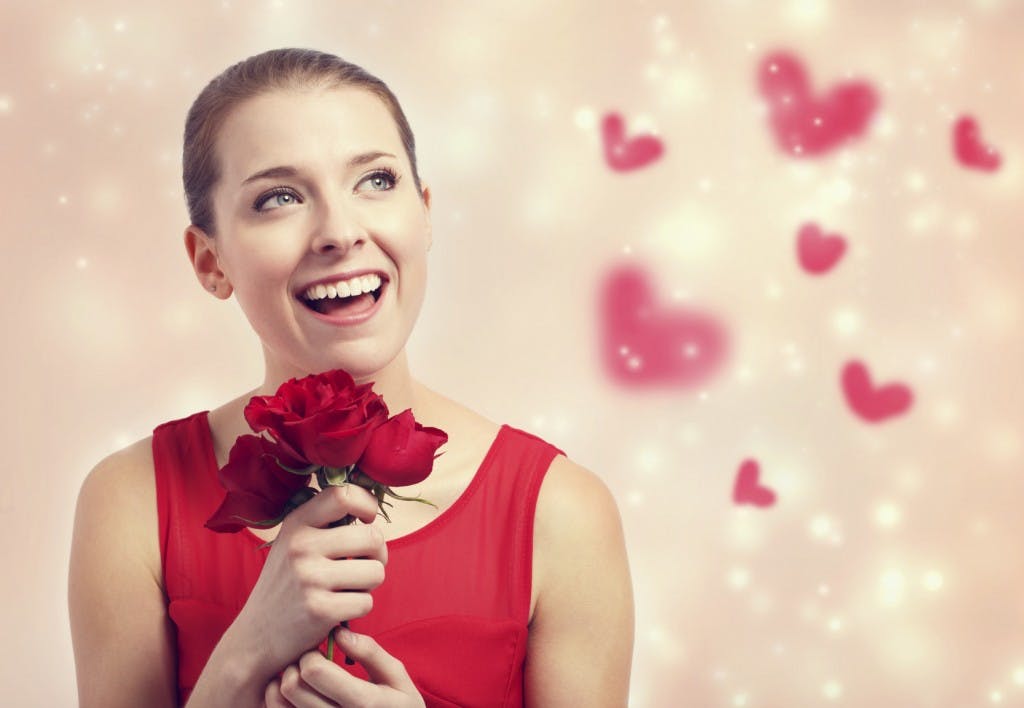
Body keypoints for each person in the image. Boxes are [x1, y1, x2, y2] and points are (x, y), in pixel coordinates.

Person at [68, 48, 634, 707]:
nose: (340, 231)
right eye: (278, 198)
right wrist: (246, 652)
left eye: (376, 181)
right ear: (210, 261)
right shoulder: (132, 500)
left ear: (424, 214)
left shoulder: (561, 512)